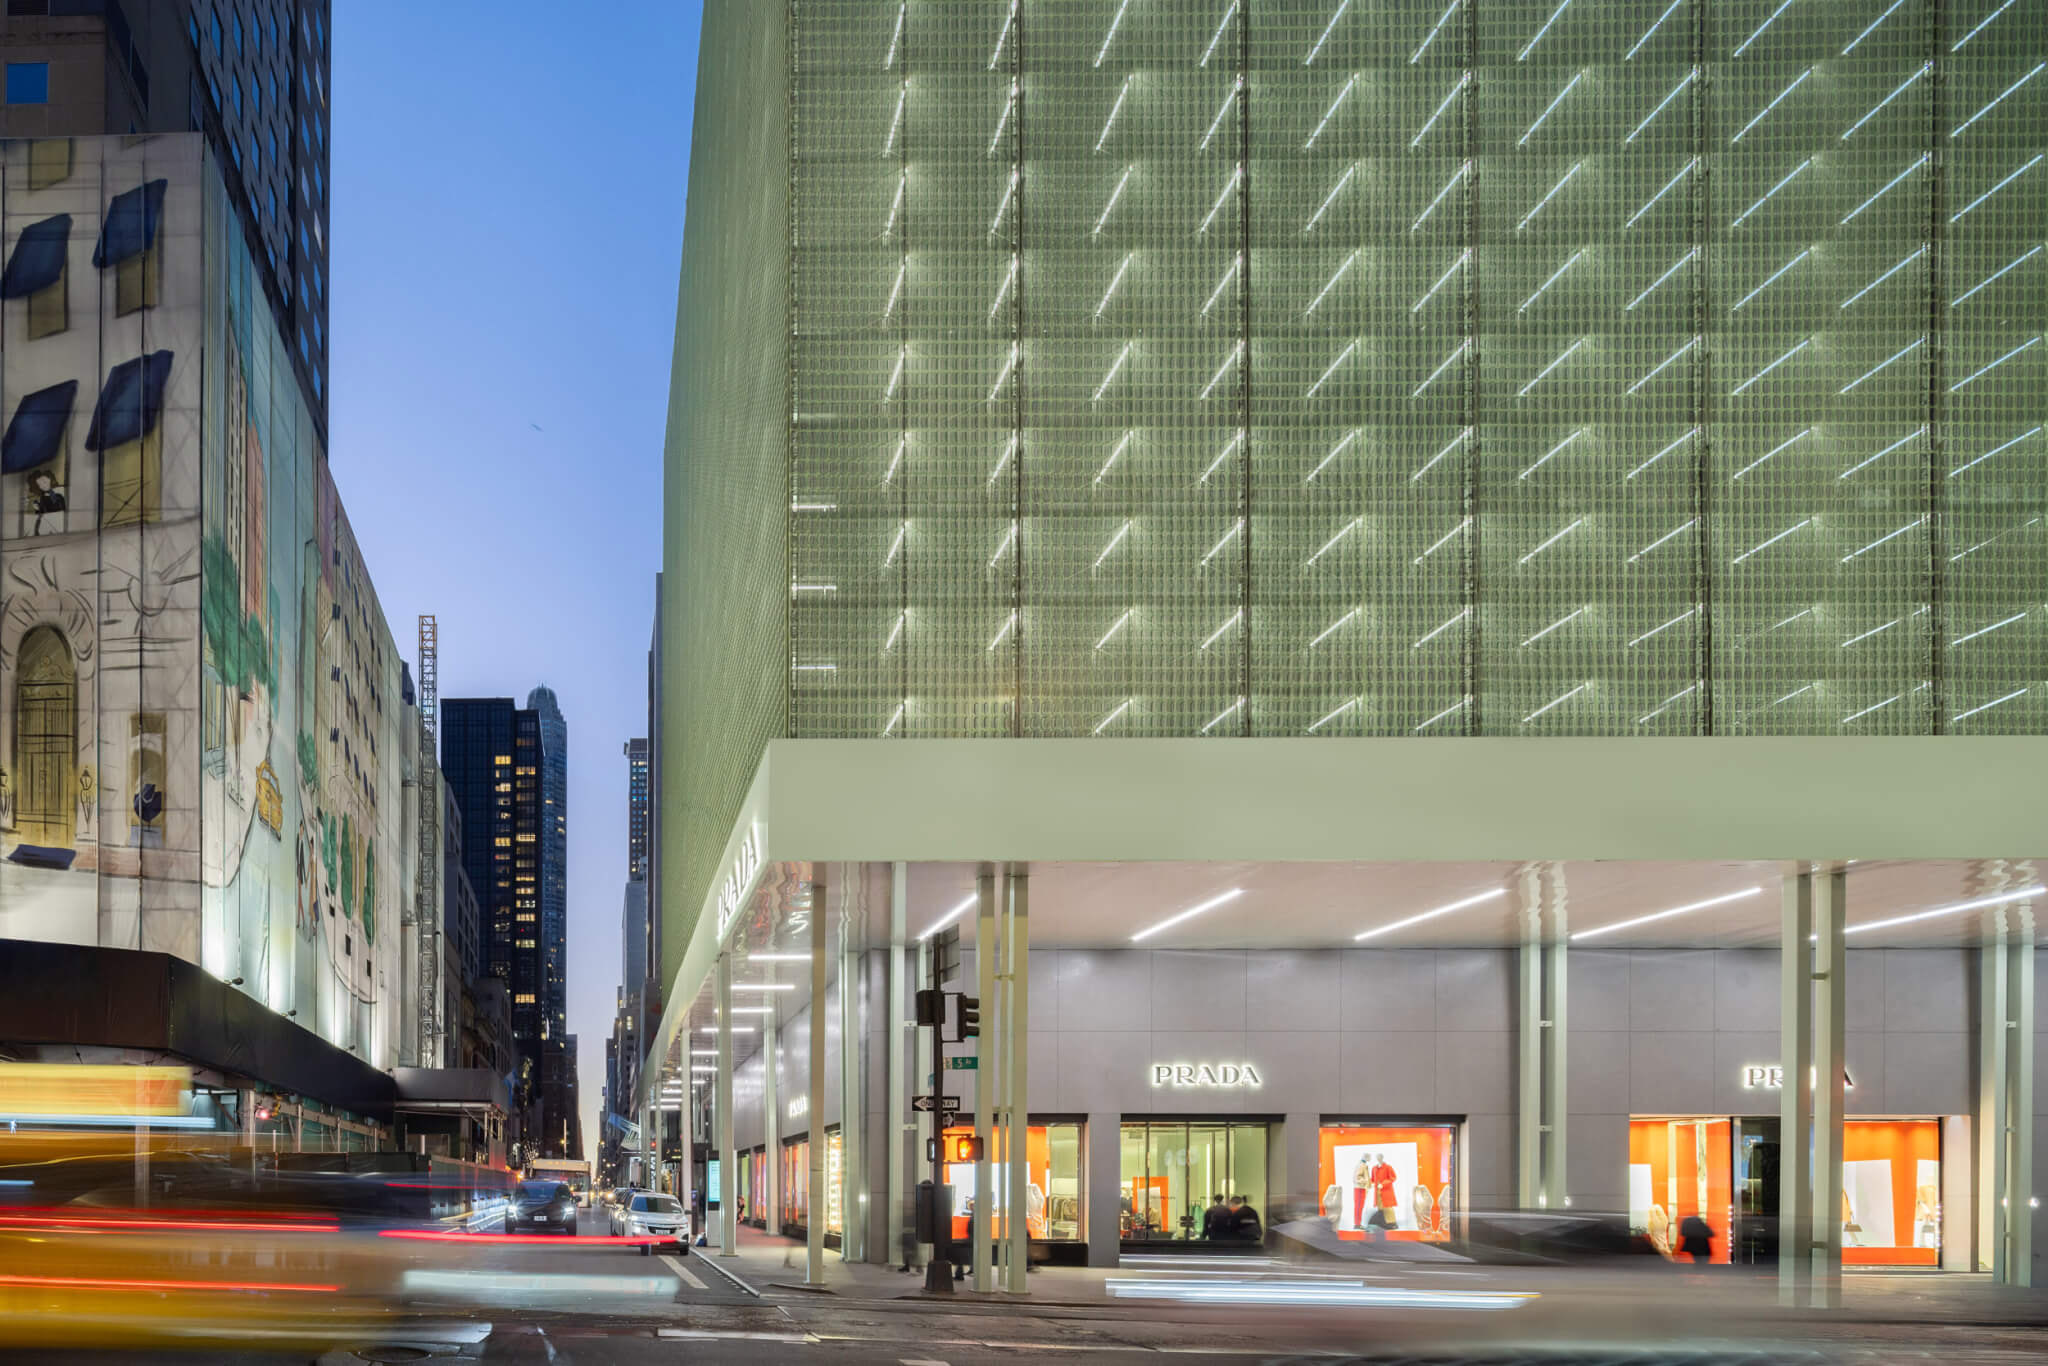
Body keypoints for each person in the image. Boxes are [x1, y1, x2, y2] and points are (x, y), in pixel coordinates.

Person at [1368, 1155, 1398, 1232]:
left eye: (1380, 1157)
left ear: (1382, 1158)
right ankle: (1383, 1222)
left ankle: (1392, 1223)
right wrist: (1370, 1183)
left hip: (1386, 1190)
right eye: (1377, 1157)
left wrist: (1383, 1184)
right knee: (1380, 1207)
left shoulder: (1388, 1167)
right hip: (1377, 1191)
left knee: (1388, 1207)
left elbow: (1393, 1177)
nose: (1379, 1159)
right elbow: (1373, 1179)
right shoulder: (1374, 1168)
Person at [1351, 1155, 1372, 1229]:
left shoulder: (1362, 1164)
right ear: (1365, 1157)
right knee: (1359, 1206)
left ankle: (1358, 1224)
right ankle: (1357, 1224)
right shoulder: (1361, 1165)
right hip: (1360, 1188)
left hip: (1360, 1188)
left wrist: (1369, 1182)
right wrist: (1366, 1181)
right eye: (1369, 1156)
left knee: (1360, 1206)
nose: (1370, 1158)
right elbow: (1357, 1177)